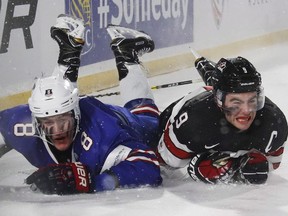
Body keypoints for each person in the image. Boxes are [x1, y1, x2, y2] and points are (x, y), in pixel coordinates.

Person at [0, 14, 162, 195]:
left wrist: (93, 182)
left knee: (152, 125)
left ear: (76, 114)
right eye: (48, 123)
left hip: (125, 123)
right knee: (61, 101)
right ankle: (72, 56)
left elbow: (149, 165)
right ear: (36, 122)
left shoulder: (103, 135)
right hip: (86, 111)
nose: (58, 130)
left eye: (63, 121)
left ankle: (128, 55)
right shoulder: (20, 123)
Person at [156, 55, 288, 184]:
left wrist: (238, 166)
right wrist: (197, 167)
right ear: (218, 100)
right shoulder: (192, 123)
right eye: (236, 102)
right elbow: (166, 163)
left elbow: (272, 163)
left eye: (252, 100)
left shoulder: (274, 122)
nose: (247, 110)